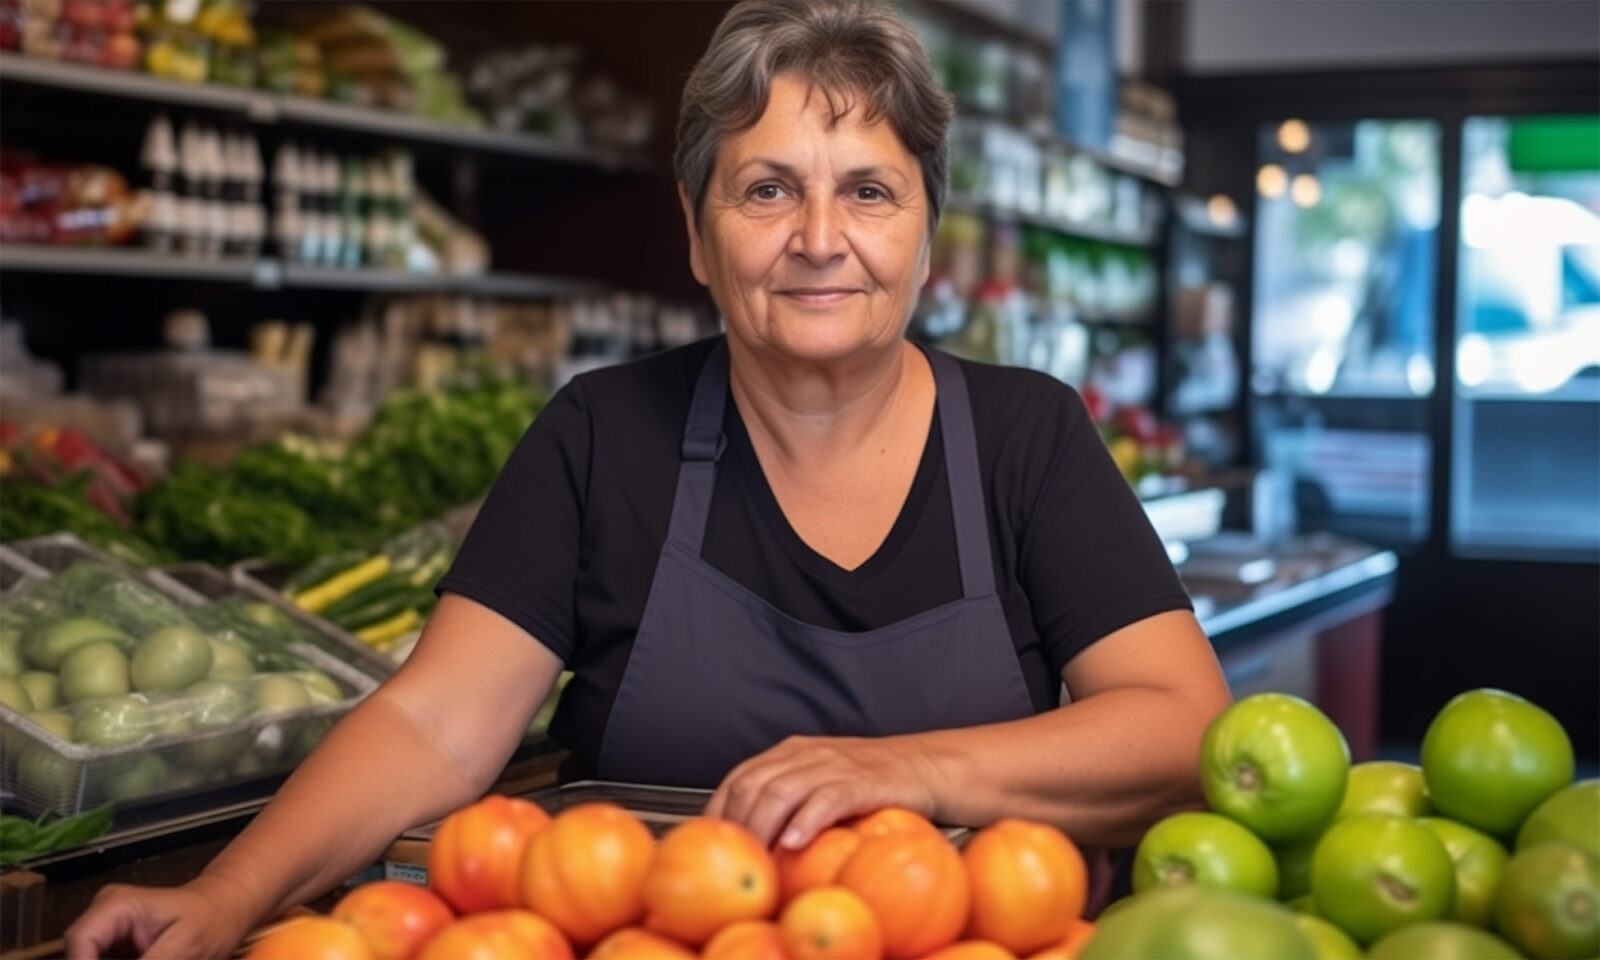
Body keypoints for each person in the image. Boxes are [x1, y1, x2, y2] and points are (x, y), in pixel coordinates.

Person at [67, 2, 1231, 956]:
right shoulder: (601, 435)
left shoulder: (1025, 436)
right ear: (695, 228)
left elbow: (1185, 730)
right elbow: (434, 721)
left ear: (926, 232)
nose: (819, 237)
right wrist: (229, 896)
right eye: (766, 189)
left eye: (869, 191)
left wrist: (907, 772)